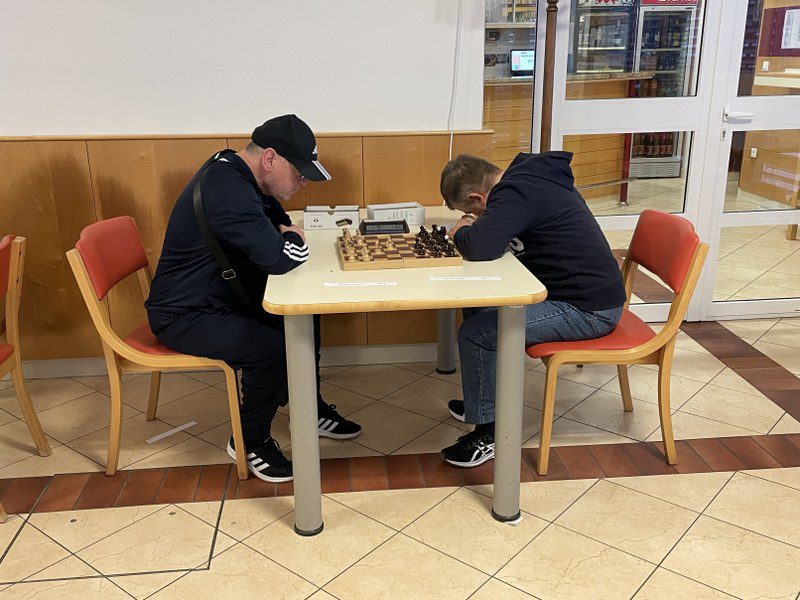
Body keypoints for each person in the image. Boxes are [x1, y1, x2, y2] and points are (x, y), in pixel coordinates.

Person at [145, 114, 361, 483]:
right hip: (185, 315)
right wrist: (290, 237)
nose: (304, 182)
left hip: (219, 299)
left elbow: (277, 227)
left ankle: (307, 408)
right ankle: (250, 439)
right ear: (271, 158)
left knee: (303, 317)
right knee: (271, 348)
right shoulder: (227, 188)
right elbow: (281, 255)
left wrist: (284, 233)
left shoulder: (239, 172)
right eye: (299, 173)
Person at [438, 152, 626, 467]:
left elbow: (480, 246)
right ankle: (484, 402)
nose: (477, 216)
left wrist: (461, 230)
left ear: (477, 197)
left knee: (476, 334)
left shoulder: (517, 191)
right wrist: (475, 226)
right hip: (579, 295)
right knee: (477, 304)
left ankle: (491, 434)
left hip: (588, 310)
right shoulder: (527, 180)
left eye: (472, 211)